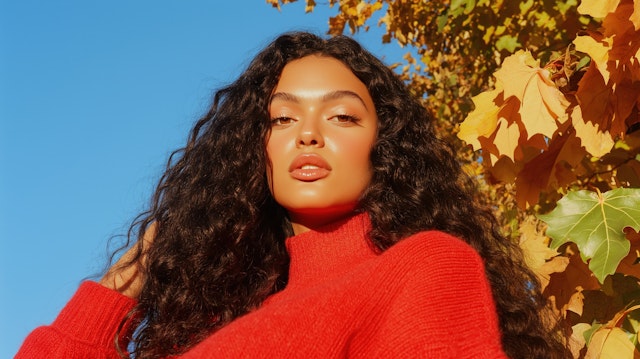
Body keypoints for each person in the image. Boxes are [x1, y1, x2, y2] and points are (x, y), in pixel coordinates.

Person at [16, 32, 569, 359]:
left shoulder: (425, 266)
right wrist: (111, 295)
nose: (308, 132)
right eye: (282, 118)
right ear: (256, 150)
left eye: (342, 115)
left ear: (386, 146)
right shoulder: (223, 322)